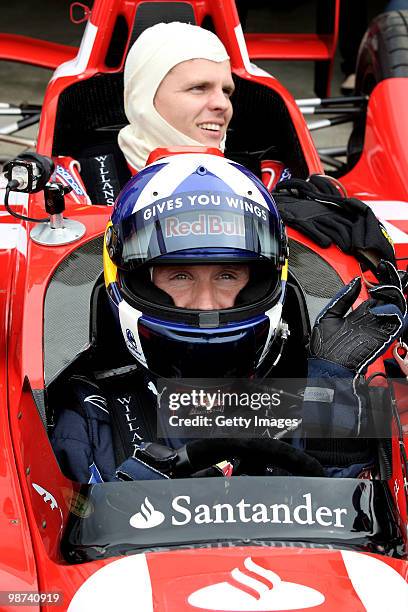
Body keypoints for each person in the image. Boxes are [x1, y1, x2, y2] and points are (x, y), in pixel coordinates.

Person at [51, 152, 406, 483]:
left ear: (261, 280)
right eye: (180, 276)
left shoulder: (316, 395)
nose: (206, 303)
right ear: (137, 279)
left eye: (227, 275)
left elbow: (361, 526)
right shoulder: (91, 413)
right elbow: (70, 535)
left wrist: (334, 401)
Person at [118, 22, 234, 173]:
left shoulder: (258, 178)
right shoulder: (87, 179)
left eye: (226, 91)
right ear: (143, 98)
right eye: (198, 88)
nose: (222, 104)